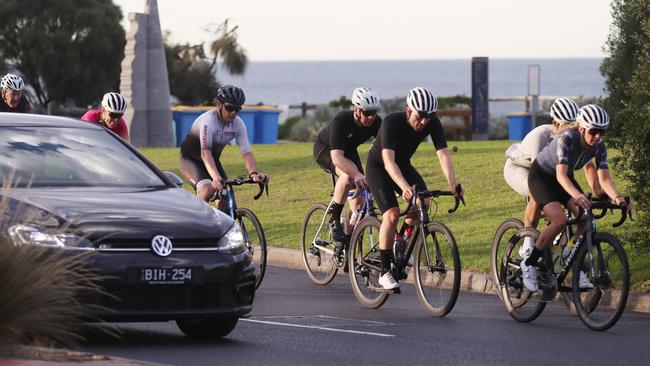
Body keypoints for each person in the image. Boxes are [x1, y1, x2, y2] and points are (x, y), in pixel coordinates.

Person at [521, 104, 631, 293]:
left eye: (602, 132)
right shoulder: (567, 138)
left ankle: (570, 252)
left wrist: (617, 197)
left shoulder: (599, 145)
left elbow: (603, 178)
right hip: (542, 177)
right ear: (581, 128)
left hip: (563, 178)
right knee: (559, 221)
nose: (598, 137)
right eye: (594, 131)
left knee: (587, 219)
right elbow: (561, 176)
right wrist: (578, 195)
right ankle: (529, 263)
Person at [365, 87, 463, 290]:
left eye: (429, 117)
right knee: (392, 214)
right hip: (379, 167)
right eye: (420, 116)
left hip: (403, 165)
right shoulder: (392, 122)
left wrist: (453, 185)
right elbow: (388, 162)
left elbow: (443, 154)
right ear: (408, 111)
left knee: (424, 202)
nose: (425, 121)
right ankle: (384, 272)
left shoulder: (432, 123)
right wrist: (404, 188)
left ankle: (400, 239)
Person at [503, 98, 602, 259]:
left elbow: (589, 167)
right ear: (555, 124)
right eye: (567, 125)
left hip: (550, 171)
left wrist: (597, 191)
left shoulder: (575, 138)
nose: (572, 130)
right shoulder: (540, 136)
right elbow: (539, 176)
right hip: (520, 168)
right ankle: (528, 244)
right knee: (536, 194)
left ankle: (561, 255)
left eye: (575, 125)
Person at [313, 87, 382, 243]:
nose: (371, 117)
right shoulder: (341, 120)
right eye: (367, 112)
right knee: (347, 176)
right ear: (356, 110)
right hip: (326, 150)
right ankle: (334, 219)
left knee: (359, 204)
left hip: (349, 151)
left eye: (374, 112)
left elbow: (383, 152)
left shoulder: (376, 122)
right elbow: (337, 158)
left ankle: (348, 242)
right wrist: (356, 174)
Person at [179, 85, 269, 205]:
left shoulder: (238, 124)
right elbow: (205, 153)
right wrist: (216, 177)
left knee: (226, 197)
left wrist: (253, 173)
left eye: (237, 109)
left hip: (213, 160)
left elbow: (246, 151)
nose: (233, 113)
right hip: (190, 160)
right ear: (219, 105)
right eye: (229, 107)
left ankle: (221, 222)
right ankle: (195, 221)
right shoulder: (208, 120)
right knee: (206, 191)